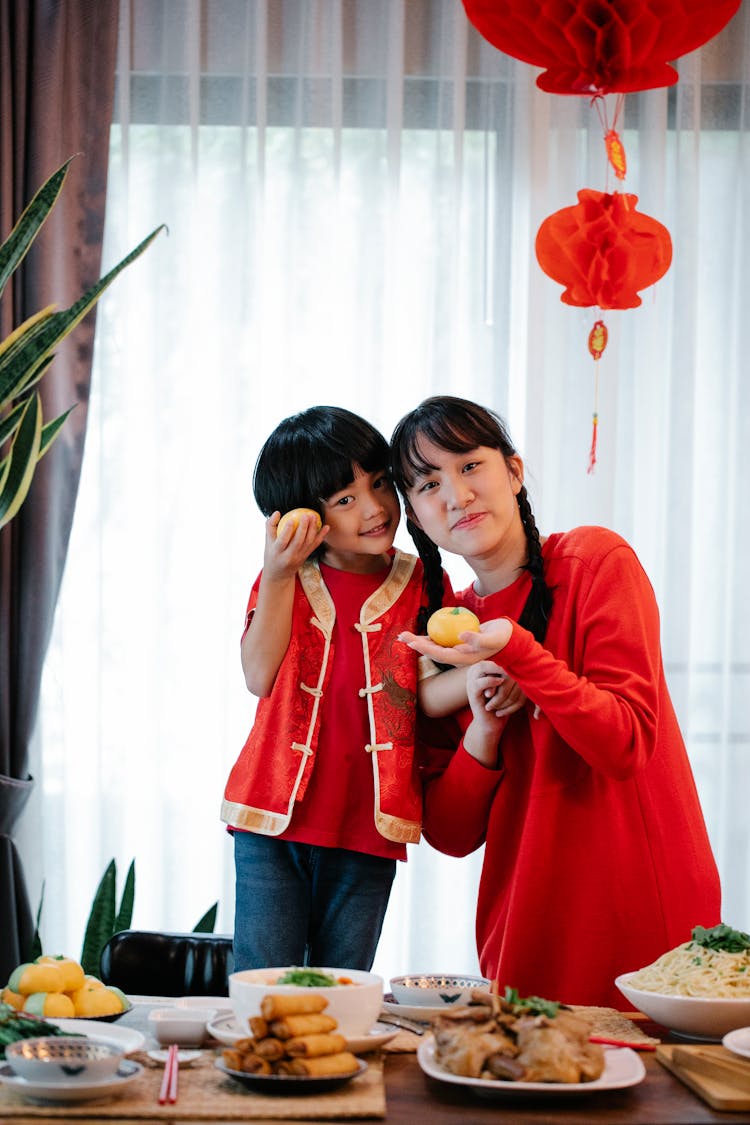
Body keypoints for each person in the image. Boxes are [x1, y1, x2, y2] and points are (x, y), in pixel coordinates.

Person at [390, 394, 722, 1008]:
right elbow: (451, 833)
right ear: (416, 515)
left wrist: (518, 650)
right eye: (428, 483)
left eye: (469, 466)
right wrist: (482, 732)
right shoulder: (442, 632)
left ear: (513, 472)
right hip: (526, 934)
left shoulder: (597, 562)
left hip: (643, 927)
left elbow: (624, 745)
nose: (456, 495)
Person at [221, 405, 469, 972]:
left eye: (380, 484)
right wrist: (279, 573)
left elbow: (427, 693)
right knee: (262, 985)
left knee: (342, 990)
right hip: (270, 823)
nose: (377, 508)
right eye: (346, 499)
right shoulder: (284, 576)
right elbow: (258, 676)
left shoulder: (424, 582)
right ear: (306, 516)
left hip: (370, 829)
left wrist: (490, 674)